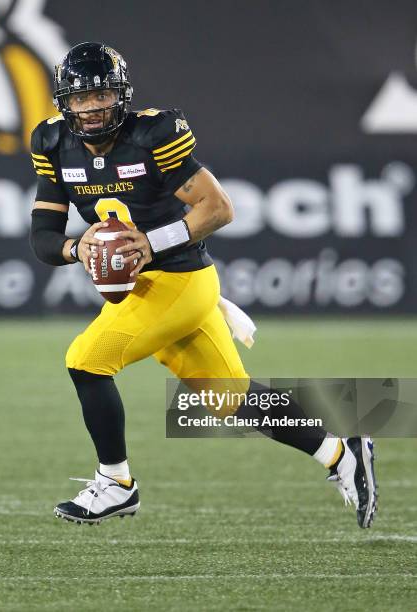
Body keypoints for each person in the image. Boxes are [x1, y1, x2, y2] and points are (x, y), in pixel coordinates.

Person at [29, 42, 377, 528]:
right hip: (147, 287)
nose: (92, 108)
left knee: (86, 361)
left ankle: (116, 484)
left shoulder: (152, 134)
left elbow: (218, 209)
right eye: (81, 98)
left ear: (121, 95)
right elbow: (43, 236)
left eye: (102, 95)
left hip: (179, 279)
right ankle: (342, 453)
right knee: (227, 395)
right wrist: (76, 248)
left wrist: (151, 243)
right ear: (64, 101)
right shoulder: (52, 143)